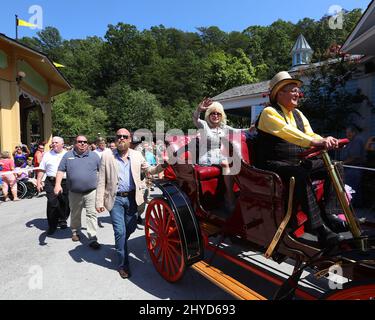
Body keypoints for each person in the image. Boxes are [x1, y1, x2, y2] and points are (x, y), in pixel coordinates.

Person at [255, 71, 345, 246]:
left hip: (296, 161)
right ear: (279, 92)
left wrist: (328, 140)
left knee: (335, 165)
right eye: (293, 90)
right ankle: (319, 229)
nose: (298, 94)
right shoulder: (268, 113)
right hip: (272, 164)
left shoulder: (298, 114)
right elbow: (289, 133)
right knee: (300, 174)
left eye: (298, 91)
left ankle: (330, 213)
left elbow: (310, 134)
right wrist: (316, 141)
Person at [95, 128, 165, 279]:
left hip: (133, 198)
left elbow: (150, 170)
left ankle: (121, 245)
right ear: (115, 139)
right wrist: (99, 201)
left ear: (129, 140)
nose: (121, 138)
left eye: (124, 136)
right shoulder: (107, 156)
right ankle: (123, 264)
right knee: (120, 232)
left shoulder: (137, 155)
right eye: (118, 136)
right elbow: (101, 180)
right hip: (115, 199)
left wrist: (162, 166)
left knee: (130, 228)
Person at [192, 99, 243, 211]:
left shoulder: (223, 127)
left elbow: (239, 131)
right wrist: (198, 109)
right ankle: (229, 197)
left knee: (238, 162)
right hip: (206, 159)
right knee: (226, 163)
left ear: (221, 115)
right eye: (213, 113)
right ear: (209, 115)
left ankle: (241, 193)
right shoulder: (204, 125)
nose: (215, 115)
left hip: (219, 158)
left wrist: (253, 128)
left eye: (218, 113)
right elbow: (195, 119)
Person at [54, 135, 101, 249]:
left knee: (91, 214)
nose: (83, 144)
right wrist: (57, 184)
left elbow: (102, 171)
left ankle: (92, 237)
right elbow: (60, 170)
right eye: (80, 142)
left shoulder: (94, 156)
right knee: (75, 213)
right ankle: (75, 232)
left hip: (91, 191)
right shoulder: (68, 155)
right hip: (74, 192)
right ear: (75, 143)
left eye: (85, 142)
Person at [36, 137, 70, 235]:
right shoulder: (47, 155)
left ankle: (63, 219)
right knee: (52, 203)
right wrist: (38, 182)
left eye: (56, 142)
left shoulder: (67, 154)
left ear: (62, 144)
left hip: (65, 181)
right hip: (50, 181)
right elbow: (42, 169)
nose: (53, 144)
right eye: (53, 142)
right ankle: (52, 225)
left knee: (65, 202)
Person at [342, 126, 365, 207]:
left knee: (351, 187)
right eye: (346, 132)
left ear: (354, 132)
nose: (347, 134)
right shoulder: (350, 141)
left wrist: (342, 163)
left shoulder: (357, 140)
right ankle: (355, 206)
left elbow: (355, 157)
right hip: (349, 167)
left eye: (349, 132)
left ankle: (350, 206)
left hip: (354, 168)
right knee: (354, 188)